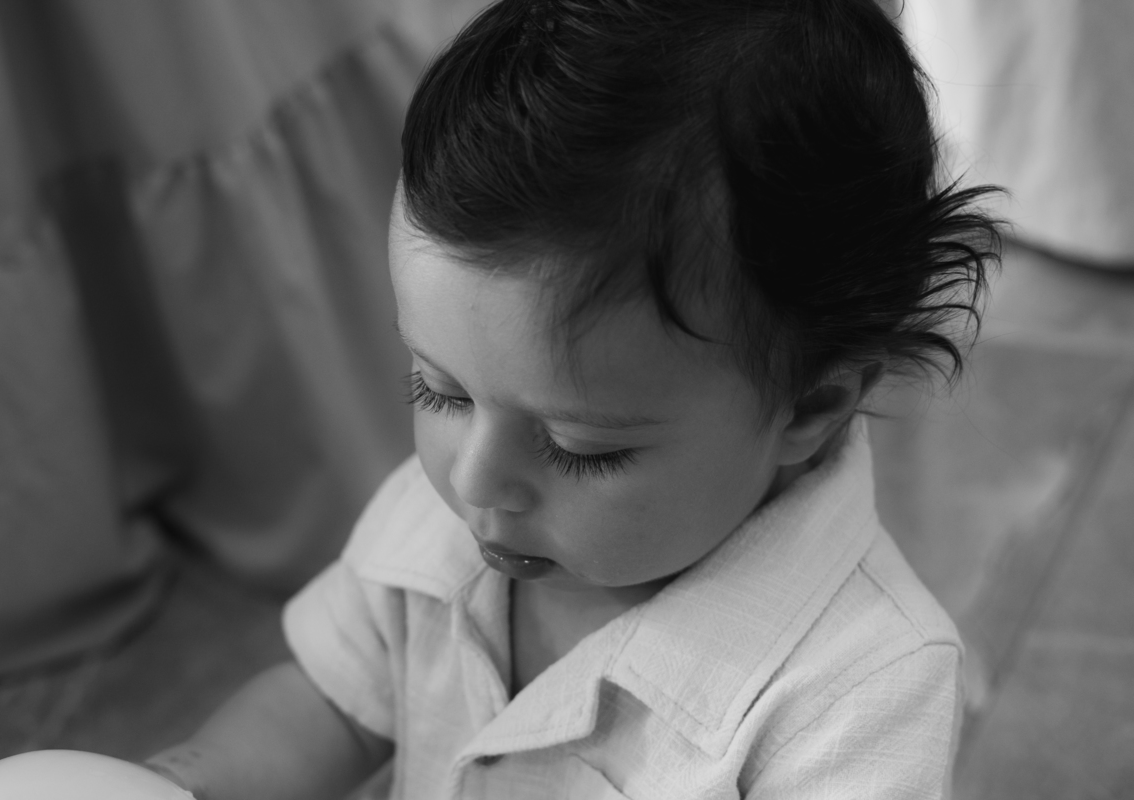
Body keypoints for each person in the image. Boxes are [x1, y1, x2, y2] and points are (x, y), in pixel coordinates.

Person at [145, 0, 1001, 796]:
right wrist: (180, 784)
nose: (475, 479)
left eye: (579, 448)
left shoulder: (859, 691)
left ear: (810, 406)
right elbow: (328, 703)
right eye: (439, 392)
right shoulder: (450, 516)